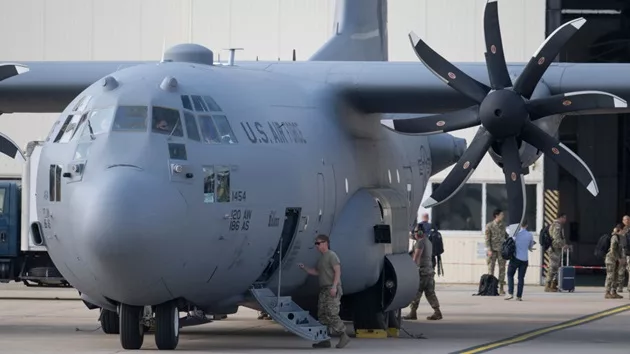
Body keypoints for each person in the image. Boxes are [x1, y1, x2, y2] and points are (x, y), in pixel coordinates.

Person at [298, 235, 350, 349]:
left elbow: (337, 271)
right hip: (324, 289)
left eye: (318, 243)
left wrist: (334, 287)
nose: (316, 246)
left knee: (332, 313)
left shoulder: (331, 255)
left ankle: (343, 335)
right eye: (316, 243)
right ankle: (324, 339)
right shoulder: (321, 258)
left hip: (331, 288)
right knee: (322, 315)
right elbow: (317, 272)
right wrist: (305, 268)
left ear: (325, 243)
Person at [403, 227, 442, 321]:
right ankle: (437, 312)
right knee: (430, 293)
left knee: (416, 292)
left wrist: (411, 269)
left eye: (415, 232)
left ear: (420, 232)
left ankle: (413, 313)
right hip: (429, 271)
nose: (414, 234)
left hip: (422, 272)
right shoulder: (428, 241)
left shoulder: (420, 243)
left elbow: (416, 257)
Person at [505, 219, 535, 301]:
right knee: (521, 278)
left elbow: (507, 229)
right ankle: (519, 296)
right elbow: (530, 246)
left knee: (510, 274)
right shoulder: (529, 235)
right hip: (525, 259)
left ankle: (510, 292)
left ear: (520, 225)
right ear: (527, 225)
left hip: (515, 258)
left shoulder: (515, 234)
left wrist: (514, 227)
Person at [485, 209, 507, 295]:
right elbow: (487, 239)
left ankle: (501, 287)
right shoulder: (489, 226)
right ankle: (491, 287)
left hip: (501, 250)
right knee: (491, 269)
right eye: (501, 215)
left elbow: (505, 235)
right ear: (496, 215)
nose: (503, 216)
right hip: (492, 250)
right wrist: (489, 249)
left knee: (502, 269)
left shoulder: (503, 225)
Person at [544, 213, 568, 292]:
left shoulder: (554, 225)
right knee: (553, 267)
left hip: (555, 249)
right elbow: (556, 239)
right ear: (561, 217)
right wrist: (563, 245)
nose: (565, 220)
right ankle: (548, 285)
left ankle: (553, 285)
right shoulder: (557, 226)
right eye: (564, 218)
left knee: (555, 267)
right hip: (555, 249)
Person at [606, 224, 625, 299]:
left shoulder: (620, 238)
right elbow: (613, 249)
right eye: (622, 230)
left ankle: (614, 291)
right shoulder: (614, 237)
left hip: (616, 260)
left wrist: (621, 258)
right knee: (610, 276)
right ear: (619, 230)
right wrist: (618, 258)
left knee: (616, 276)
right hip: (611, 259)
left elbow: (620, 250)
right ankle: (607, 292)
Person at [616, 215, 630, 293]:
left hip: (629, 253)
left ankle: (629, 287)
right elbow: (614, 236)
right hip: (622, 252)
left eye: (628, 220)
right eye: (625, 220)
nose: (627, 221)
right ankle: (620, 287)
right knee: (621, 270)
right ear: (623, 221)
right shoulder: (620, 230)